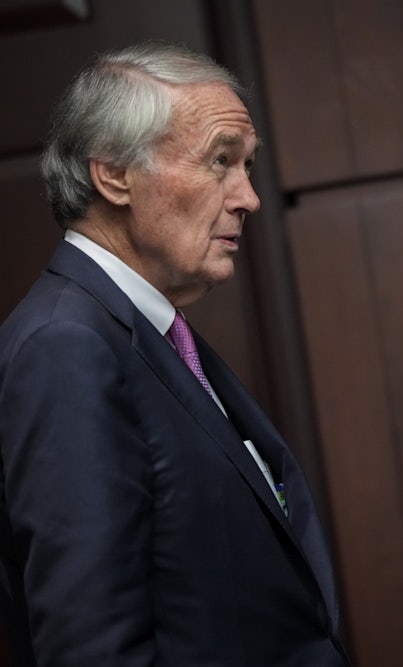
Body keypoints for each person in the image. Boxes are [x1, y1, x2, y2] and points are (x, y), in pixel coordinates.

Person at [0, 42, 351, 666]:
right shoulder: (66, 346)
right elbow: (92, 647)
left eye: (247, 166)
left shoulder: (144, 330)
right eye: (220, 162)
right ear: (113, 174)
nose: (248, 198)